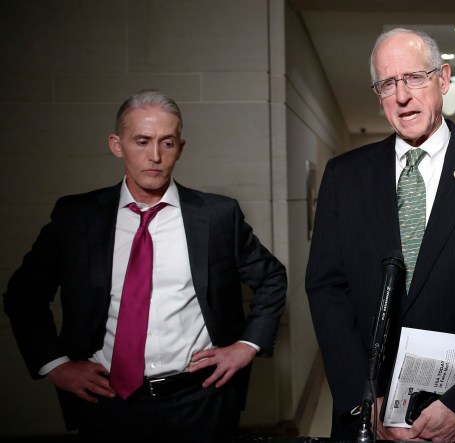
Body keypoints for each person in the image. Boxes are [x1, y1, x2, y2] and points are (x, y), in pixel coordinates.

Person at [3, 89, 287, 441]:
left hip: (201, 400)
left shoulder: (216, 216)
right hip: (105, 402)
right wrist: (56, 365)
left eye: (167, 143)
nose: (155, 156)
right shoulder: (76, 218)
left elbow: (272, 277)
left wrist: (248, 345)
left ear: (180, 149)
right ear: (116, 144)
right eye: (142, 141)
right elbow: (23, 295)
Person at [305, 28, 455, 443]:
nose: (402, 96)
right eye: (388, 83)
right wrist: (363, 397)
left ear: (443, 79)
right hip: (368, 413)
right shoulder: (344, 176)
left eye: (414, 77)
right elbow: (327, 287)